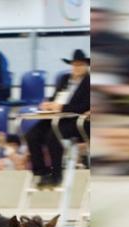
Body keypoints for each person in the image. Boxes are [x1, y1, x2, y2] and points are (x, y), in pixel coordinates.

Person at [25, 49, 90, 188]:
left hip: (78, 120)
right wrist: (48, 104)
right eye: (74, 64)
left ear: (86, 65)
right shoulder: (64, 79)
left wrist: (61, 107)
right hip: (58, 117)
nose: (76, 67)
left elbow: (84, 105)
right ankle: (41, 172)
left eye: (80, 64)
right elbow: (55, 97)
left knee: (53, 135)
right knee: (32, 134)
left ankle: (56, 175)